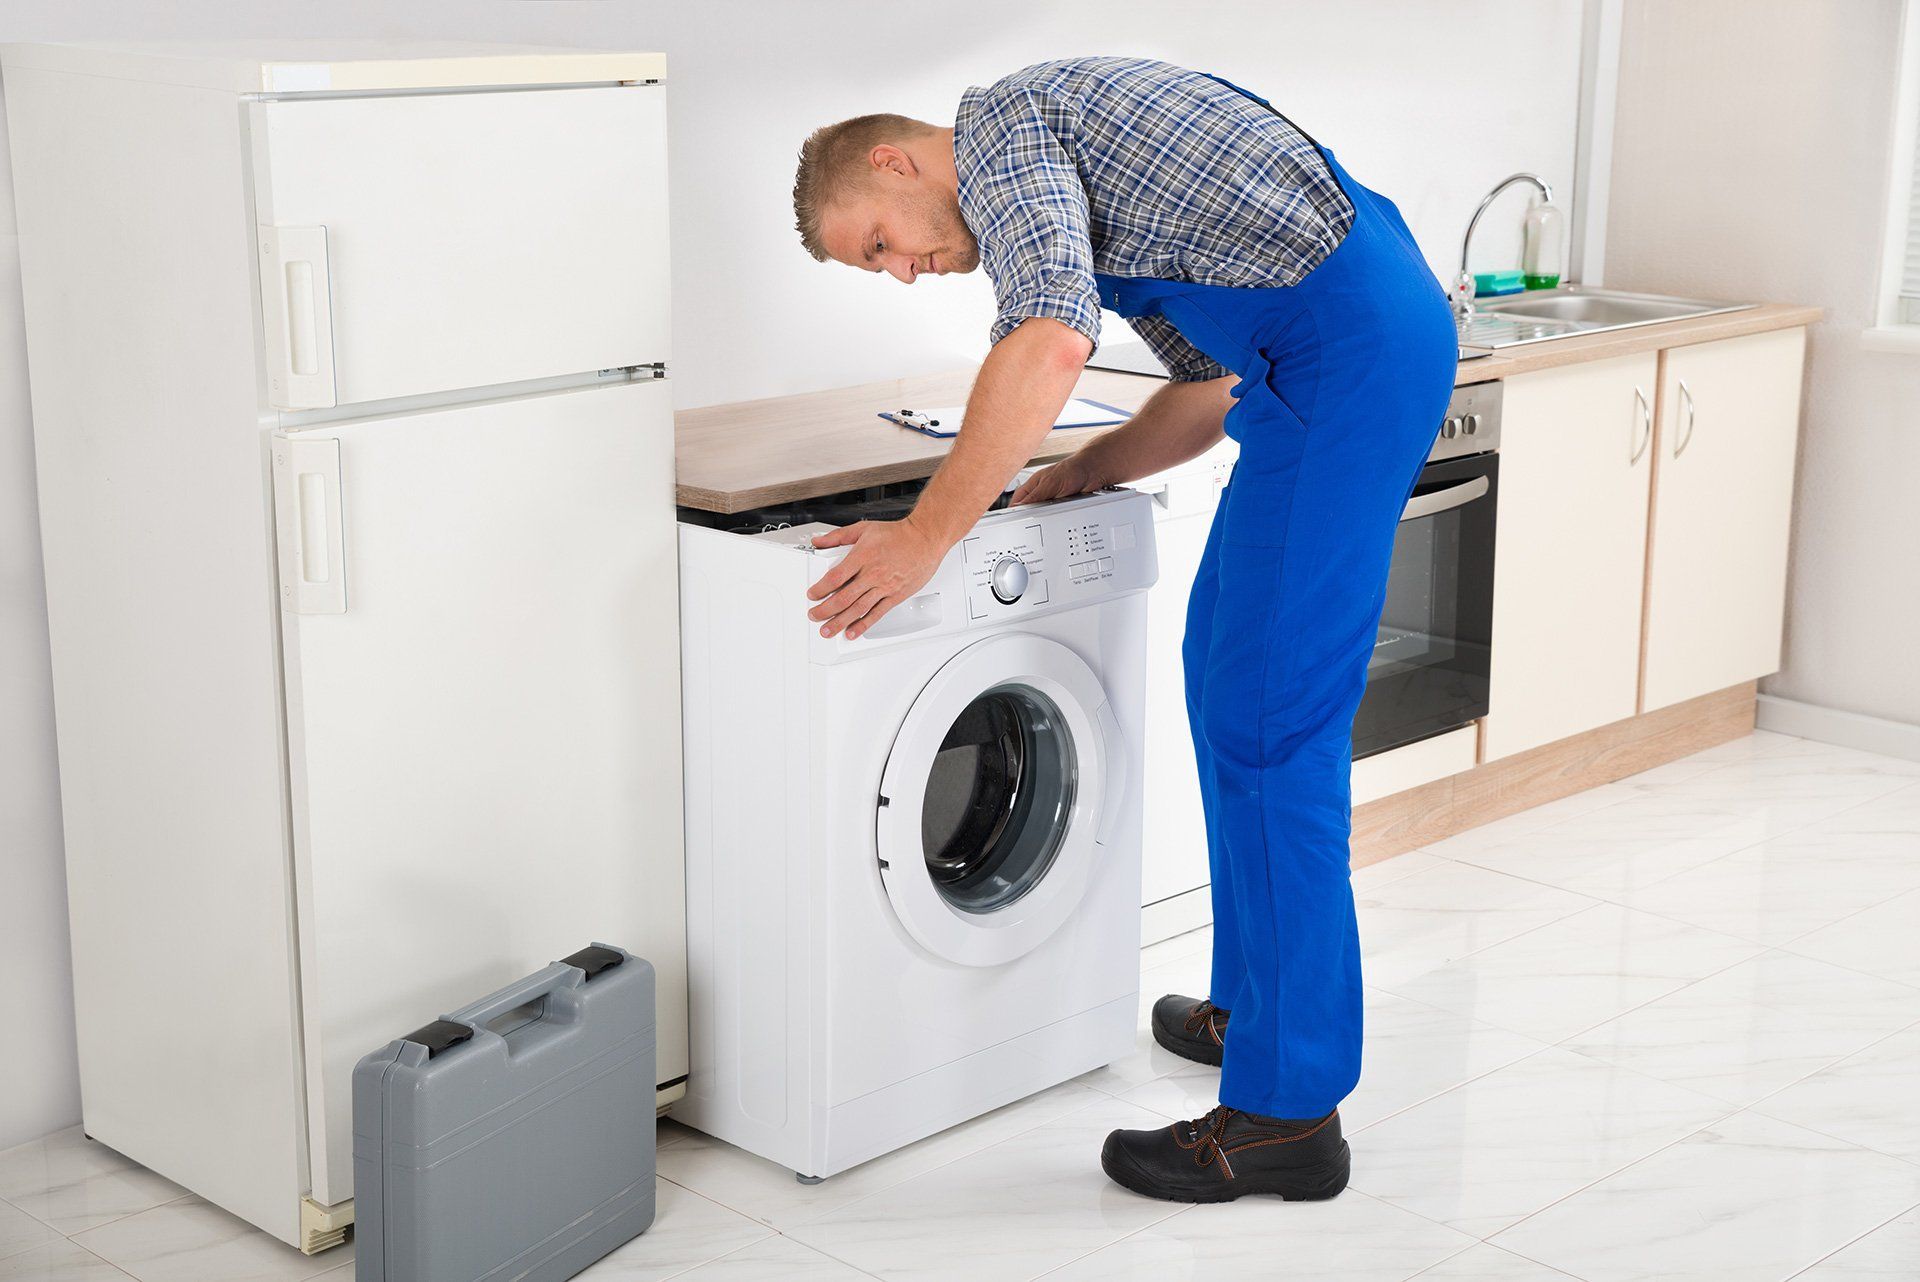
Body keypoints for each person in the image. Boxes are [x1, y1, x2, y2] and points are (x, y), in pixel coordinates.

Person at [789, 56, 1456, 1202]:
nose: (904, 272)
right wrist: (1092, 466)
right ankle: (1255, 1009)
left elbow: (1047, 342)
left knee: (1275, 727)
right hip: (1328, 364)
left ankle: (1288, 1115)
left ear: (896, 162)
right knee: (1226, 680)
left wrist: (927, 536)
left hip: (1350, 361)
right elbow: (1205, 392)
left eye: (879, 243)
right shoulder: (1081, 180)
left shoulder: (1005, 137)